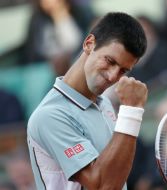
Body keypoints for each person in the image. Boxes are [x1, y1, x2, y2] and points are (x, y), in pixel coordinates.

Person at [27, 12, 148, 190]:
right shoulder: (49, 116)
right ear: (89, 44)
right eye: (110, 61)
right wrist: (132, 111)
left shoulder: (105, 104)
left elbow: (117, 177)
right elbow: (103, 186)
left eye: (123, 70)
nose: (113, 76)